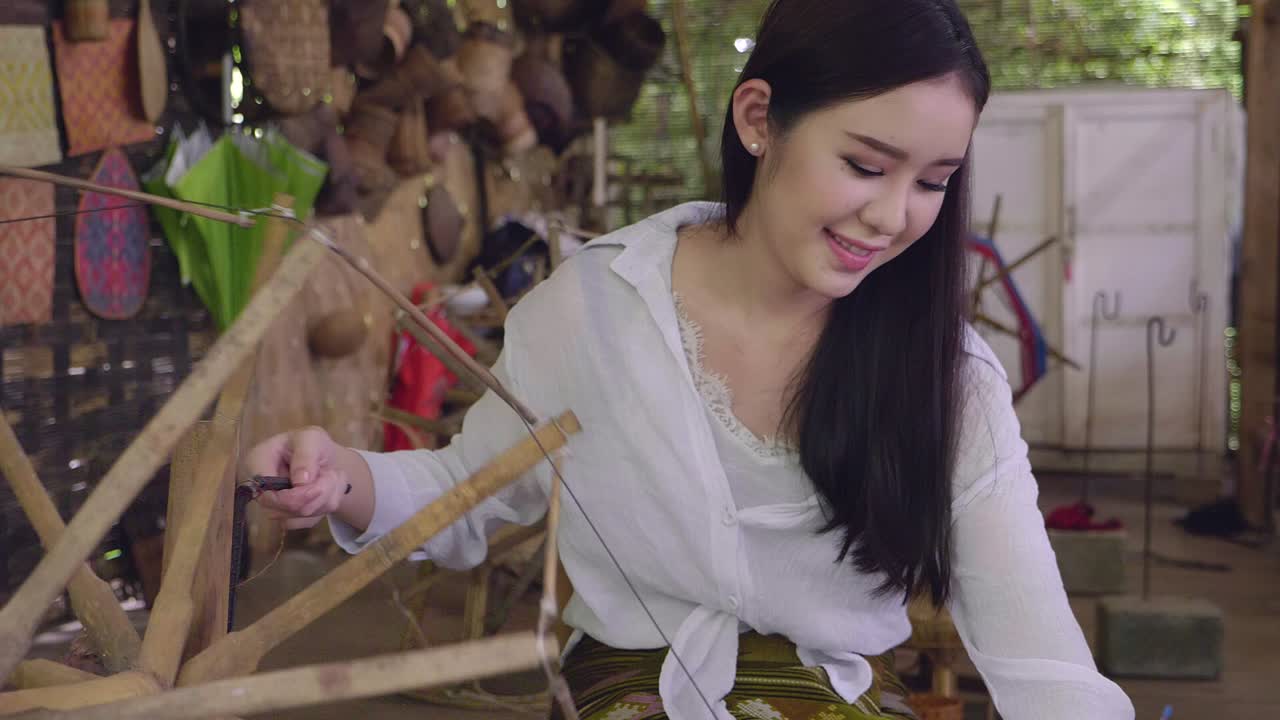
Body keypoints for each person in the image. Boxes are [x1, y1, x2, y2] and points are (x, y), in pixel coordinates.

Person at [247, 1, 1136, 718]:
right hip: (623, 695)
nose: (894, 215)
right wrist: (341, 478)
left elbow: (1042, 665)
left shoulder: (949, 378)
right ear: (759, 119)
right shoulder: (595, 310)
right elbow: (471, 489)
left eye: (935, 182)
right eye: (867, 165)